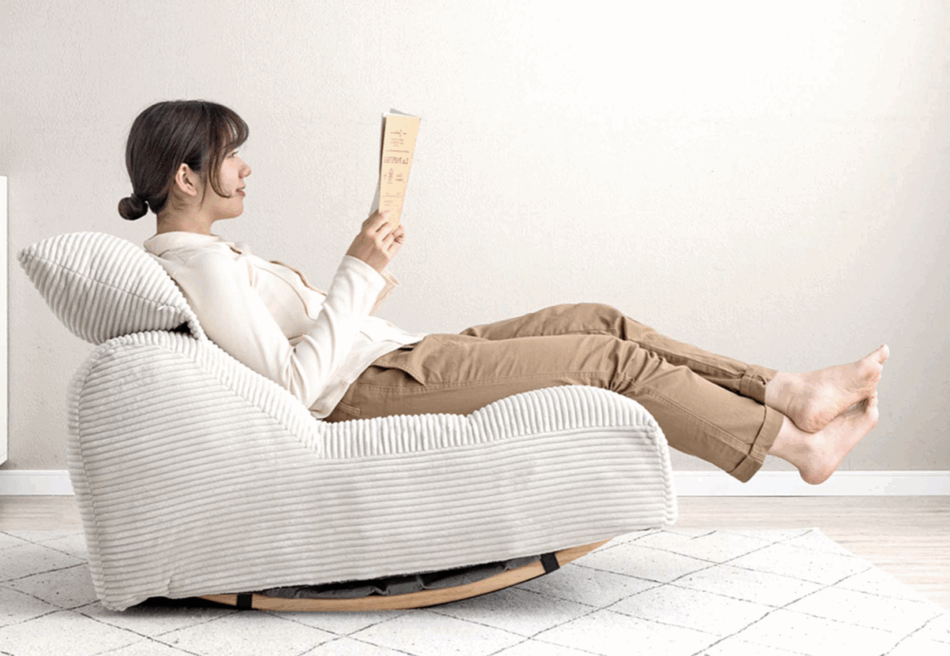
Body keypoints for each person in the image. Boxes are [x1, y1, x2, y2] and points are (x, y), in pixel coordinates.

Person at [121, 99, 888, 486]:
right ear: (186, 177)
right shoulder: (199, 267)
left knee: (597, 319)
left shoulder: (212, 255)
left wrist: (365, 282)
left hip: (396, 355)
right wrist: (356, 271)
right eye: (230, 157)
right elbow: (292, 386)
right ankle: (800, 446)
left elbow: (299, 342)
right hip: (373, 387)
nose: (245, 169)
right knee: (609, 361)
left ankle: (785, 390)